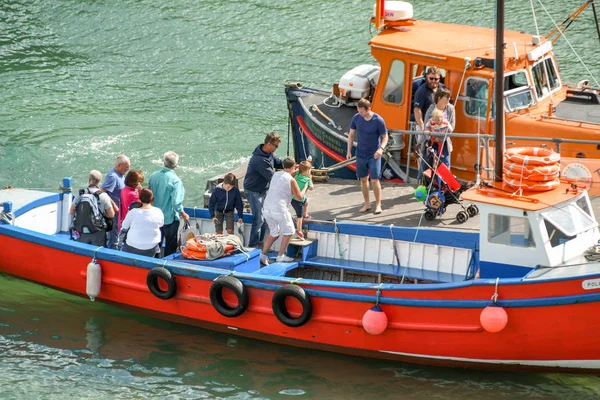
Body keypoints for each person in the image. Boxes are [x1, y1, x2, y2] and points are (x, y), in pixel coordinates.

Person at [346, 98, 388, 215]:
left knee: (374, 180)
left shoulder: (378, 120)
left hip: (374, 154)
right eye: (359, 111)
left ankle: (378, 204)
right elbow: (351, 135)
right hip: (360, 153)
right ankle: (367, 203)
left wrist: (381, 149)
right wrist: (348, 151)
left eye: (362, 112)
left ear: (368, 109)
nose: (360, 114)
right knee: (363, 179)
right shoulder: (356, 118)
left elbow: (385, 137)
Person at [261, 157, 306, 265]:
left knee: (274, 233)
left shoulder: (275, 175)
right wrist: (304, 187)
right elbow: (299, 197)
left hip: (267, 208)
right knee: (289, 231)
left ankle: (262, 255)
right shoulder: (291, 180)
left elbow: (283, 181)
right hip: (279, 209)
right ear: (293, 166)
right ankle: (281, 256)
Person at [243, 132, 283, 248]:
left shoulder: (268, 154)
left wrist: (289, 164)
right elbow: (272, 176)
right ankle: (253, 246)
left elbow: (278, 163)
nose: (277, 148)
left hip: (263, 190)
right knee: (259, 219)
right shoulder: (259, 160)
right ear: (269, 144)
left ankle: (260, 243)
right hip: (253, 191)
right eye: (276, 146)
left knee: (265, 217)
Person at [148, 151, 189, 257]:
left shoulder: (153, 176)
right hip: (169, 219)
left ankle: (153, 267)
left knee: (156, 245)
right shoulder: (176, 181)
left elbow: (149, 195)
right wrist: (183, 214)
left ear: (164, 162)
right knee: (170, 247)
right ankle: (166, 269)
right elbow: (176, 203)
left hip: (154, 217)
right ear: (176, 165)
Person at [70, 170, 115, 246]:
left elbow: (72, 211)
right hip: (97, 231)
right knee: (97, 253)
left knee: (82, 252)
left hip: (82, 230)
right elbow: (111, 214)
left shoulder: (80, 193)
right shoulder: (103, 195)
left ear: (89, 180)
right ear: (99, 181)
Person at [120, 188, 164, 257]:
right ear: (152, 199)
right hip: (151, 247)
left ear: (140, 198)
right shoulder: (158, 211)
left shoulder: (133, 212)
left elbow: (124, 226)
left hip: (133, 245)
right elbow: (161, 224)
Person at [102, 154, 130, 249]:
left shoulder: (121, 175)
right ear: (119, 165)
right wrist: (114, 205)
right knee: (113, 237)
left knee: (117, 235)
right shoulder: (113, 176)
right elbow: (103, 192)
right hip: (113, 213)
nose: (126, 170)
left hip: (120, 213)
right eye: (125, 168)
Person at [423, 87, 455, 169]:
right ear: (439, 98)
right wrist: (432, 137)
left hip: (445, 141)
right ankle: (423, 180)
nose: (449, 99)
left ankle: (443, 182)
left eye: (449, 97)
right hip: (432, 141)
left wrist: (441, 138)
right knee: (427, 163)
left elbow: (452, 125)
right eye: (447, 97)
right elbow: (426, 125)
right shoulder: (431, 109)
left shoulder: (451, 109)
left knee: (445, 164)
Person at [413, 66, 446, 131]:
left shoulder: (443, 89)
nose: (433, 81)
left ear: (439, 78)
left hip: (440, 125)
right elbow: (417, 110)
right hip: (426, 125)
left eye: (436, 79)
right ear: (427, 76)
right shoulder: (421, 91)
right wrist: (422, 128)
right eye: (431, 78)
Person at [291, 160, 313, 238]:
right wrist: (310, 180)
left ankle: (305, 214)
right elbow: (311, 188)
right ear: (307, 171)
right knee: (299, 216)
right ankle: (299, 230)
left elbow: (291, 174)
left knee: (306, 201)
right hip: (298, 201)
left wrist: (297, 170)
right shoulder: (308, 179)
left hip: (293, 198)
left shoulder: (297, 173)